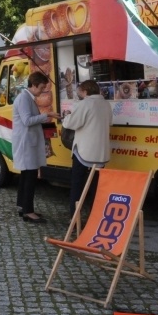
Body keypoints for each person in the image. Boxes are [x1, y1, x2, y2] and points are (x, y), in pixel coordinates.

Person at [12, 71, 59, 224]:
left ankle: (22, 206)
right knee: (30, 177)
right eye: (41, 88)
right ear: (33, 85)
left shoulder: (27, 98)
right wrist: (47, 115)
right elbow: (27, 120)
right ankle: (28, 211)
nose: (42, 91)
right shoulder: (24, 98)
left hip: (27, 142)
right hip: (26, 144)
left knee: (26, 176)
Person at [61, 80, 113, 216]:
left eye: (80, 91)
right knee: (96, 188)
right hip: (101, 153)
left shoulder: (84, 104)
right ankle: (94, 216)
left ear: (85, 91)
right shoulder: (106, 104)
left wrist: (66, 116)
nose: (79, 94)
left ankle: (75, 216)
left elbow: (71, 123)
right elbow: (110, 122)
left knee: (77, 186)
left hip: (84, 152)